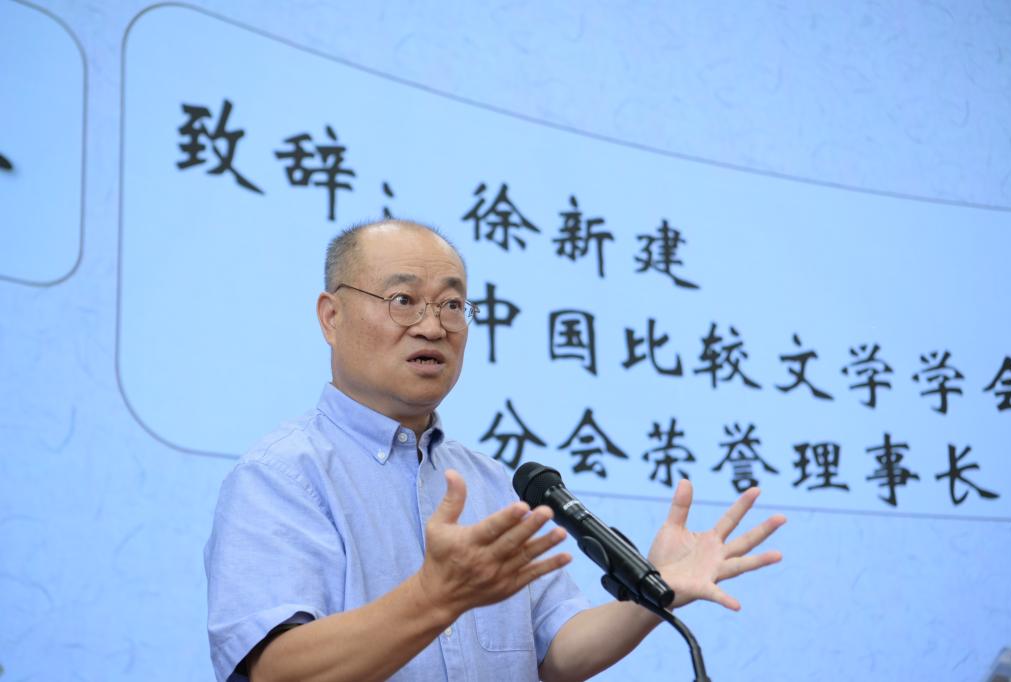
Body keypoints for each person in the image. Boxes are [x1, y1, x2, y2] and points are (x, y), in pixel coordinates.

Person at [204, 219, 786, 682]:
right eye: (403, 299)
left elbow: (556, 654)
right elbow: (277, 669)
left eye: (452, 305)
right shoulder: (283, 475)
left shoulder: (493, 484)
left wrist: (654, 594)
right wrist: (432, 599)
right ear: (331, 317)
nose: (433, 327)